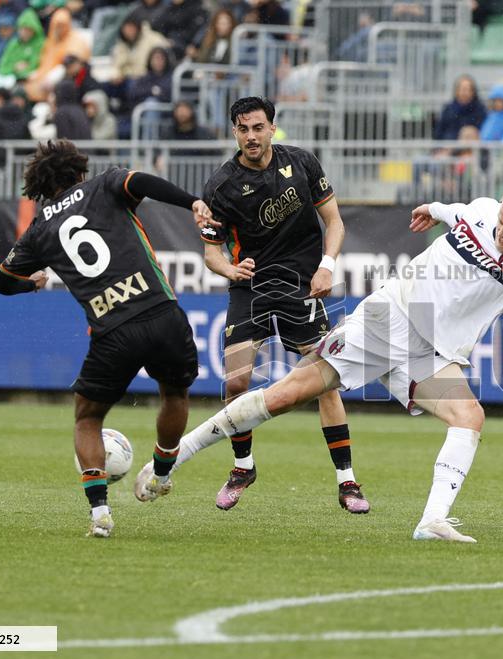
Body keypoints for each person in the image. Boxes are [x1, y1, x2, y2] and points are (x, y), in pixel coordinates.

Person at [167, 185, 503, 542]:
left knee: (469, 417)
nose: (502, 234)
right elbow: (452, 211)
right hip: (389, 318)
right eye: (501, 223)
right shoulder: (482, 210)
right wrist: (430, 210)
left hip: (431, 353)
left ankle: (431, 521)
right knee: (288, 394)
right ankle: (174, 456)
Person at [134, 97, 371, 515]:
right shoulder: (222, 186)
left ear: (272, 128)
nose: (252, 136)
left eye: (258, 127)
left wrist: (327, 266)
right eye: (243, 129)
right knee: (237, 382)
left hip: (303, 286)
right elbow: (210, 254)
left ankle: (347, 480)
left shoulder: (302, 164)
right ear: (234, 133)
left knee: (325, 382)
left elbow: (334, 221)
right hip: (251, 288)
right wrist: (230, 269)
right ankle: (243, 466)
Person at [0, 139, 215, 538]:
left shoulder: (39, 230)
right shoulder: (106, 184)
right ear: (79, 171)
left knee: (88, 417)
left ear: (41, 184)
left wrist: (33, 282)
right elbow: (142, 181)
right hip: (162, 312)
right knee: (175, 394)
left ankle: (100, 514)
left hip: (113, 331)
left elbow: (0, 282)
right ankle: (162, 473)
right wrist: (192, 201)